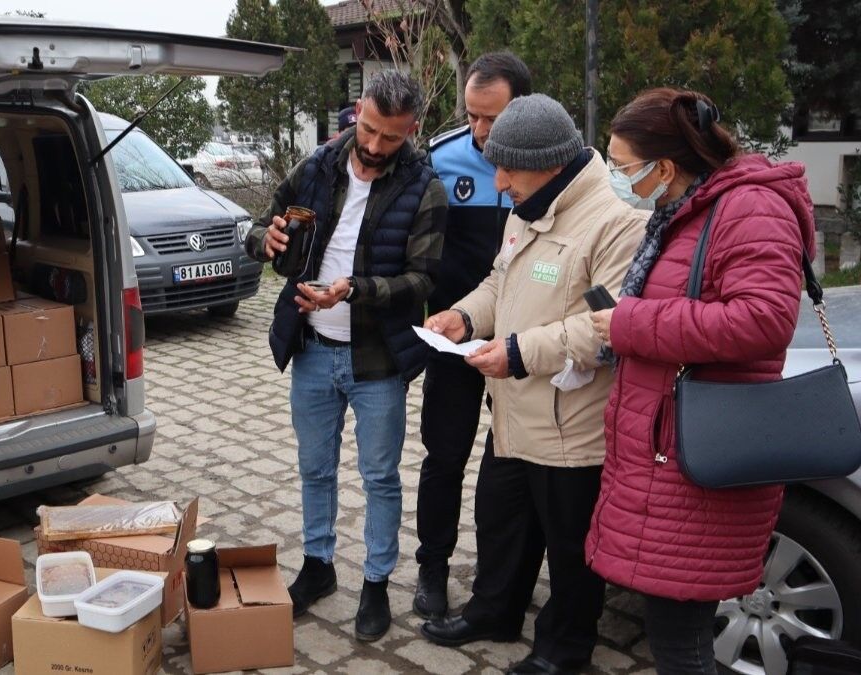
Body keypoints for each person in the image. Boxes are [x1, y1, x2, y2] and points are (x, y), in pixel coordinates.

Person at [584, 88, 814, 675]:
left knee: (682, 644)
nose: (616, 178)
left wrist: (630, 322)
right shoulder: (686, 207)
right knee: (674, 637)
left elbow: (764, 319)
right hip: (668, 454)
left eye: (622, 168)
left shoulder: (748, 207)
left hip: (698, 456)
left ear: (664, 167)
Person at [417, 94, 646, 675]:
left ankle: (564, 648)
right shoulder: (527, 206)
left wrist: (518, 352)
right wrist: (464, 317)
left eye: (508, 169)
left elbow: (606, 330)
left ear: (549, 164)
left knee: (569, 545)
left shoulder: (616, 222)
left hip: (572, 425)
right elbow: (500, 282)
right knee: (500, 520)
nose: (498, 182)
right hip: (514, 411)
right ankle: (494, 611)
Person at [244, 70, 446, 642]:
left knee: (380, 476)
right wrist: (264, 240)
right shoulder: (317, 165)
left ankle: (376, 582)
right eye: (370, 129)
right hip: (311, 348)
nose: (376, 145)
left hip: (378, 359)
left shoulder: (424, 187)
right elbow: (257, 227)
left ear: (412, 129)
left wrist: (353, 290)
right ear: (359, 110)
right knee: (315, 468)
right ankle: (318, 565)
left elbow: (422, 279)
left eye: (392, 137)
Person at [415, 50, 532, 620]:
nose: (481, 132)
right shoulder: (441, 159)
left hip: (527, 347)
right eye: (472, 116)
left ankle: (502, 579)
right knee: (445, 457)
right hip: (456, 340)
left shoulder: (552, 162)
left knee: (517, 465)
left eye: (494, 118)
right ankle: (432, 568)